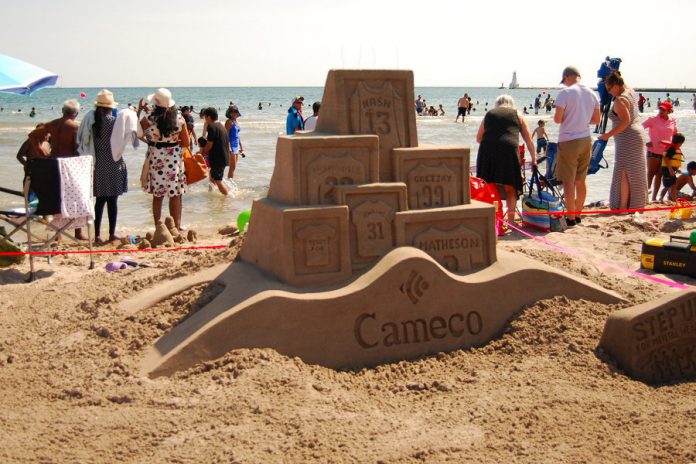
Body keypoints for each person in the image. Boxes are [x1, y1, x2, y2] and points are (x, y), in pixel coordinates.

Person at [28, 99, 84, 239]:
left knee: (56, 198)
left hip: (53, 163)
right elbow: (76, 148)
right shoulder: (75, 127)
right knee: (76, 197)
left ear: (62, 111)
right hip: (69, 165)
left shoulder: (52, 124)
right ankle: (78, 232)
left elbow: (32, 135)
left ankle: (58, 233)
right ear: (76, 113)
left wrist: (42, 153)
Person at [476, 94, 535, 224]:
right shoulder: (518, 115)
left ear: (496, 104)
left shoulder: (490, 114)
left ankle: (492, 219)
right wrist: (534, 158)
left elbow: (479, 138)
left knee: (488, 185)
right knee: (510, 186)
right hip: (509, 150)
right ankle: (511, 221)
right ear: (512, 104)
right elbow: (528, 139)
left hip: (487, 150)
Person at [78, 90, 128, 243]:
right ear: (110, 107)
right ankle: (112, 234)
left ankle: (97, 235)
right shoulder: (114, 121)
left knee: (99, 201)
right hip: (113, 162)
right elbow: (123, 139)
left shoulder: (92, 122)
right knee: (113, 201)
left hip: (98, 163)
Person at [554, 66, 600, 226]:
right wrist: (582, 120)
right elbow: (596, 120)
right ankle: (578, 214)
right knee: (581, 180)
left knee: (568, 181)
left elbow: (557, 119)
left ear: (567, 77)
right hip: (586, 139)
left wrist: (571, 118)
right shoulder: (592, 93)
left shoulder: (565, 93)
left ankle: (571, 217)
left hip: (568, 139)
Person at [139, 88, 188, 230]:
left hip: (156, 155)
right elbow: (185, 142)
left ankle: (158, 226)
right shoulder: (179, 118)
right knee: (175, 194)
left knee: (158, 195)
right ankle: (176, 227)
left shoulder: (149, 118)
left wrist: (150, 141)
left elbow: (137, 132)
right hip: (174, 157)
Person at [598, 70, 648, 211]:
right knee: (633, 172)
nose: (608, 92)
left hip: (628, 137)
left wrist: (607, 135)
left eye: (609, 89)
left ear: (616, 84)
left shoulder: (620, 100)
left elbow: (625, 121)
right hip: (636, 134)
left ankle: (623, 206)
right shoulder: (630, 91)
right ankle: (632, 204)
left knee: (623, 172)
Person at [642, 101, 678, 202]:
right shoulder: (652, 119)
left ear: (669, 111)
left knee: (659, 175)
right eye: (660, 109)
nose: (661, 111)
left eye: (663, 109)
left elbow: (675, 134)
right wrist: (645, 141)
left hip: (666, 153)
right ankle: (644, 197)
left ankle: (654, 198)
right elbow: (638, 129)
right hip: (653, 151)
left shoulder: (673, 120)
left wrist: (676, 149)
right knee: (650, 174)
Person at [200, 107, 232, 195]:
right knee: (212, 177)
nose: (205, 120)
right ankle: (211, 195)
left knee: (218, 181)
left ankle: (229, 197)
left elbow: (209, 145)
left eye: (206, 117)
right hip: (223, 157)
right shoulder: (221, 126)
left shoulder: (212, 128)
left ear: (209, 117)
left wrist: (202, 153)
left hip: (218, 159)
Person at [658, 133, 686, 202]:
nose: (681, 145)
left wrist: (677, 169)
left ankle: (674, 199)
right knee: (668, 185)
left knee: (673, 185)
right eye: (681, 143)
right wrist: (670, 169)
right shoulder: (672, 149)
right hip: (668, 169)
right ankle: (661, 198)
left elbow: (672, 160)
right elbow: (666, 158)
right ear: (679, 143)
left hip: (671, 169)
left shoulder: (673, 148)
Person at [225, 105, 244, 175]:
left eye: (235, 112)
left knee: (234, 167)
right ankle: (229, 181)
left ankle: (230, 180)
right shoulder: (229, 122)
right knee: (232, 166)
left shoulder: (236, 121)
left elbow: (237, 135)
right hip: (231, 145)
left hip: (236, 145)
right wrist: (229, 147)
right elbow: (226, 135)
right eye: (231, 112)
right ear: (229, 113)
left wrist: (241, 146)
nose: (233, 114)